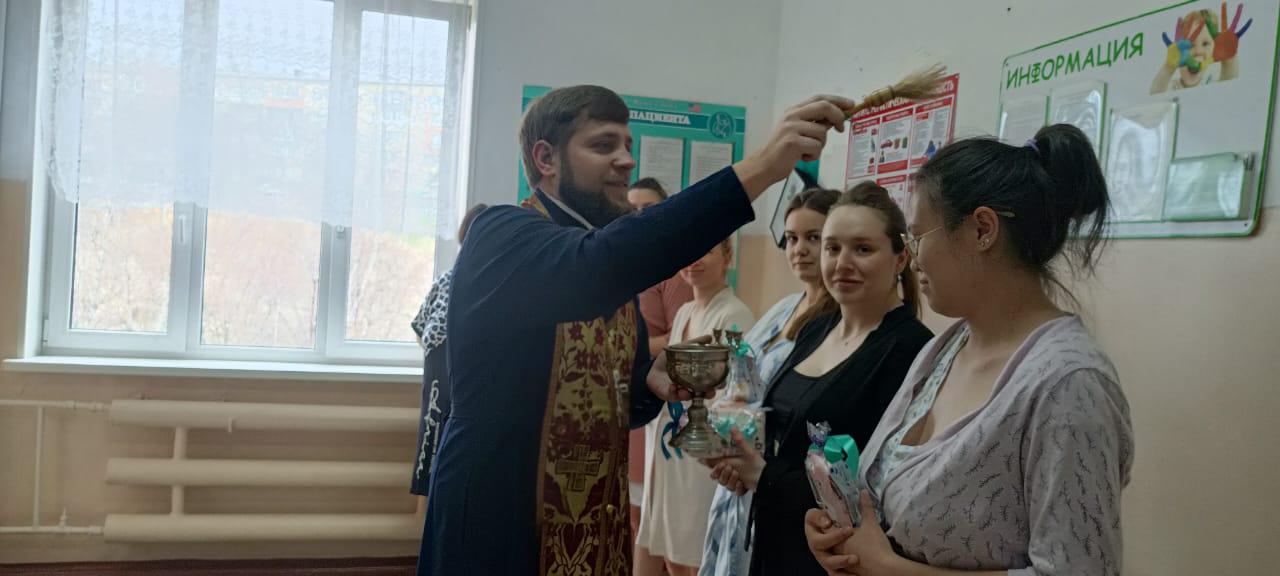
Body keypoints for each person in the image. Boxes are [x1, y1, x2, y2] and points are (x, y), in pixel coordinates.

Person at [417, 85, 853, 576]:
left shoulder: (597, 263)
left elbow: (600, 398)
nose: (626, 160)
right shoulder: (502, 233)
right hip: (500, 514)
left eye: (628, 145)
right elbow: (601, 262)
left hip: (589, 516)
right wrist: (763, 168)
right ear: (546, 158)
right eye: (603, 145)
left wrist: (647, 379)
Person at [804, 125, 1134, 576]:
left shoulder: (1069, 383)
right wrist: (841, 533)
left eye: (917, 237)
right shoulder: (946, 348)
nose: (912, 258)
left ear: (982, 230)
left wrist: (885, 567)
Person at [705, 183, 933, 576]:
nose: (842, 263)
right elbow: (785, 436)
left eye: (863, 249)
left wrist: (763, 475)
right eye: (832, 248)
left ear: (901, 258)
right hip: (773, 533)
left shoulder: (911, 350)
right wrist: (742, 466)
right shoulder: (816, 328)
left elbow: (877, 487)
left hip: (834, 557)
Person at [700, 187, 840, 576]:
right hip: (737, 468)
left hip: (773, 474)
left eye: (813, 238)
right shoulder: (783, 308)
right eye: (792, 238)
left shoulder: (837, 321)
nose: (800, 249)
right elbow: (742, 385)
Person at [636, 239, 756, 576]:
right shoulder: (686, 312)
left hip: (703, 452)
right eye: (690, 252)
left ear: (727, 257)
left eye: (708, 251)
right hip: (670, 446)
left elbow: (738, 391)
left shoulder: (734, 314)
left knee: (695, 550)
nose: (695, 260)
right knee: (670, 548)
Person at [627, 176, 698, 576]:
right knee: (632, 520)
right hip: (624, 405)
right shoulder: (621, 266)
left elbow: (679, 340)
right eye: (633, 209)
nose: (639, 216)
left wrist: (629, 348)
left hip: (655, 405)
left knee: (651, 523)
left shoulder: (670, 271)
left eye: (649, 209)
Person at [408, 203, 488, 499]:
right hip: (457, 363)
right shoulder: (484, 281)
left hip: (438, 361)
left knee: (432, 444)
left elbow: (419, 328)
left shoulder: (446, 277)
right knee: (450, 446)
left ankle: (427, 517)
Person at [1150, 3, 1249, 94]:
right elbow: (1155, 95)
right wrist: (1168, 67)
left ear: (1215, 48)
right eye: (1190, 45)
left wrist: (1229, 59)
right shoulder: (1172, 86)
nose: (1198, 51)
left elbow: (1230, 85)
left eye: (1205, 44)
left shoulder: (1212, 78)